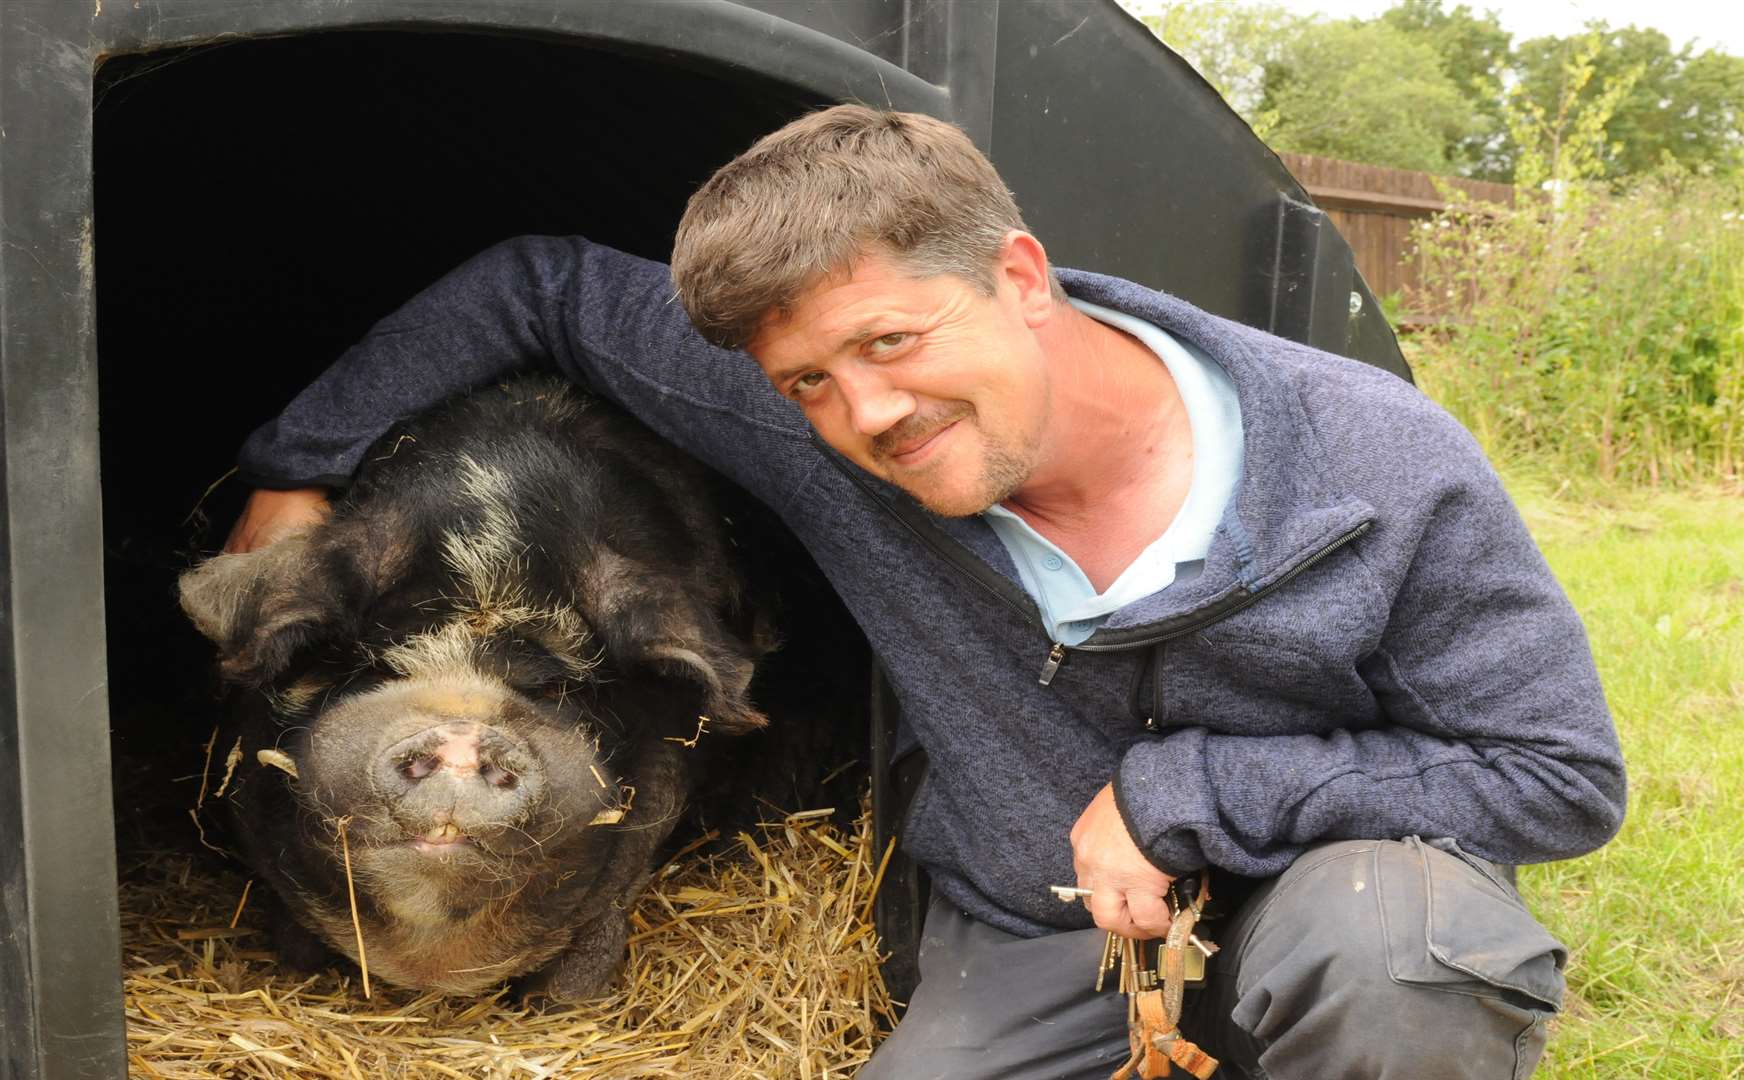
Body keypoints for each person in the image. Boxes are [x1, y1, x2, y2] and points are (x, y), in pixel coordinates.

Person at [224, 106, 1623, 1078]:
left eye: (892, 339)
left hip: (1319, 892)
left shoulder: (1376, 463)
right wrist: (297, 472)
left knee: (1396, 962)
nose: (868, 410)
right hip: (1039, 928)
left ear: (1019, 276)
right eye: (807, 382)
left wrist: (1185, 795)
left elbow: (1555, 774)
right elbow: (536, 285)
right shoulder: (837, 428)